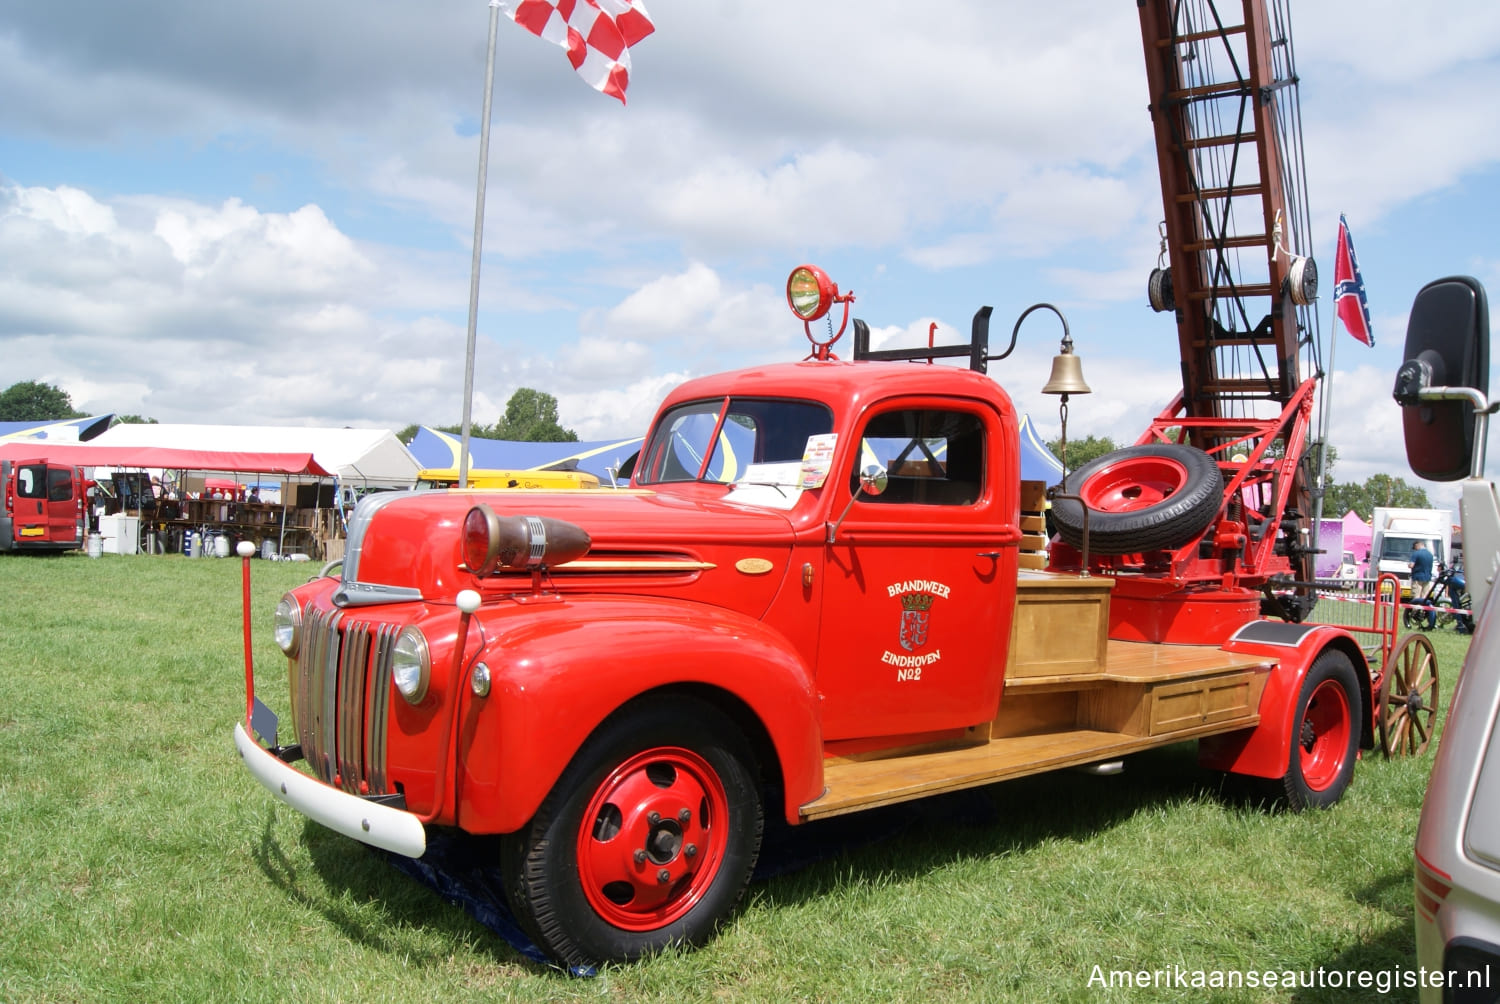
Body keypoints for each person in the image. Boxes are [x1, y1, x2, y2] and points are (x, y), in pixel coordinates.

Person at [1410, 540, 1437, 630]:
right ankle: (1423, 614)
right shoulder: (1430, 555)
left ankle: (1414, 615)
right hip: (1427, 578)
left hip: (1417, 578)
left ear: (1418, 545)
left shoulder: (1416, 554)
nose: (1414, 549)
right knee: (1424, 598)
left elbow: (1411, 565)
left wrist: (1409, 564)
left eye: (1415, 547)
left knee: (1416, 598)